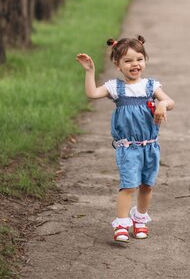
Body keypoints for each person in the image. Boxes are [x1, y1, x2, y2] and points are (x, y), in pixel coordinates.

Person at [75, 36, 175, 242]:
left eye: (139, 59)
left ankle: (139, 220)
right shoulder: (115, 88)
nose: (134, 64)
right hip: (128, 147)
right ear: (117, 65)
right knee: (129, 186)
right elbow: (92, 93)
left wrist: (162, 104)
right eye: (128, 61)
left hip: (150, 146)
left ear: (145, 60)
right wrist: (90, 72)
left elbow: (169, 100)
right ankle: (121, 223)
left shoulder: (150, 86)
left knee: (147, 185)